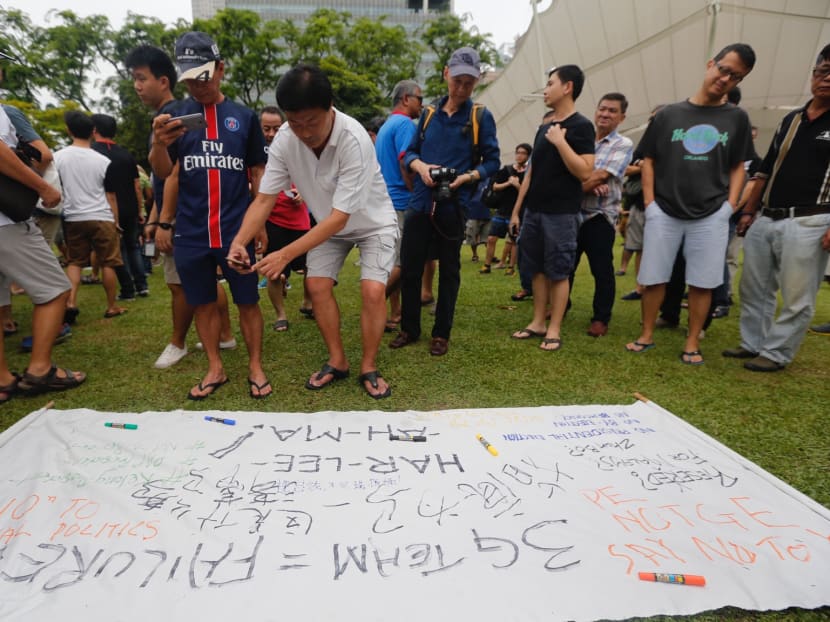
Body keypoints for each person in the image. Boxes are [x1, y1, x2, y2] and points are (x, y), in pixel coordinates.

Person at [228, 63, 398, 399]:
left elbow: (341, 217)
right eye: (295, 122)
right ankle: (338, 360)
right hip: (329, 224)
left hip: (372, 222)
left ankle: (368, 365)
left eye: (312, 122)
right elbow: (264, 199)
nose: (304, 132)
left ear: (329, 108)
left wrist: (286, 253)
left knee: (373, 291)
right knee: (316, 285)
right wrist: (239, 241)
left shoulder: (354, 138)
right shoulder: (285, 141)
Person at [149, 32, 269, 399]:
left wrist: (259, 222)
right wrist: (158, 143)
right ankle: (215, 368)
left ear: (220, 70)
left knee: (247, 300)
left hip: (236, 230)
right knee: (202, 301)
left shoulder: (244, 118)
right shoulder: (172, 118)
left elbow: (257, 172)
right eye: (189, 78)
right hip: (192, 231)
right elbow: (163, 171)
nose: (197, 85)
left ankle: (255, 366)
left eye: (204, 76)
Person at [625, 43, 755, 365]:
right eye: (723, 69)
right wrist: (650, 203)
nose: (725, 78)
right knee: (654, 275)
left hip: (711, 213)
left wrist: (729, 206)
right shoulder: (669, 114)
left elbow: (739, 166)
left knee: (704, 280)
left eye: (735, 77)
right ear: (711, 63)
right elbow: (649, 160)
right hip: (664, 211)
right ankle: (646, 334)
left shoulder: (737, 118)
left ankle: (693, 341)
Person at [126, 44, 236, 370]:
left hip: (187, 218)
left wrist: (165, 222)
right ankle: (226, 334)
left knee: (182, 284)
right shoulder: (172, 117)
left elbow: (175, 174)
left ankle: (178, 342)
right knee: (200, 279)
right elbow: (165, 177)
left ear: (164, 80)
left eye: (141, 78)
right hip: (185, 216)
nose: (137, 85)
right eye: (134, 78)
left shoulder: (177, 117)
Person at [722, 44, 830, 372]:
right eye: (822, 71)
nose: (826, 79)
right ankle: (753, 343)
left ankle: (776, 353)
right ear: (812, 75)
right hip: (766, 216)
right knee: (753, 286)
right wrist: (747, 213)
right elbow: (764, 171)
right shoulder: (792, 119)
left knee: (797, 294)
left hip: (811, 220)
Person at [391, 46, 500, 356]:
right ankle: (409, 328)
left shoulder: (481, 116)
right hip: (421, 201)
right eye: (457, 80)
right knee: (411, 266)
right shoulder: (426, 115)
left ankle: (441, 333)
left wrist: (466, 178)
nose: (462, 87)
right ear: (446, 74)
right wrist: (420, 167)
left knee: (449, 271)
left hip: (455, 205)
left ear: (476, 81)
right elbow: (410, 153)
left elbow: (492, 161)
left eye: (469, 82)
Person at [0, 57, 85, 401]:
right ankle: (39, 370)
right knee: (54, 289)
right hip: (6, 220)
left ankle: (3, 379)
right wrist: (42, 187)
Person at [509, 65, 595, 351]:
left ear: (567, 87)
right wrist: (517, 210)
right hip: (534, 210)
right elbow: (531, 172)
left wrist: (560, 143)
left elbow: (585, 171)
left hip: (562, 213)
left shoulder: (582, 126)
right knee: (535, 269)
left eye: (550, 83)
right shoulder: (544, 127)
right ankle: (537, 322)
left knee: (558, 271)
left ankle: (554, 328)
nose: (545, 90)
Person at [53, 110, 127, 321]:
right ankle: (112, 306)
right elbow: (110, 195)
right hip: (101, 215)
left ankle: (71, 302)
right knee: (108, 263)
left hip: (74, 216)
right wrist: (116, 221)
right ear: (93, 131)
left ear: (69, 130)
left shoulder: (58, 157)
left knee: (75, 262)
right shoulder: (102, 160)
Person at [571, 93, 633, 337]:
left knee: (601, 269)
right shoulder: (581, 139)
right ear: (595, 111)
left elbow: (600, 175)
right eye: (602, 109)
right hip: (573, 213)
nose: (605, 114)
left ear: (621, 117)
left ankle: (600, 318)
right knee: (566, 266)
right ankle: (560, 306)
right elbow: (569, 170)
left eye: (612, 111)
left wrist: (584, 178)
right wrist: (587, 177)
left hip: (600, 215)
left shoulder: (622, 144)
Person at [375, 79, 423, 333]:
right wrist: (418, 193)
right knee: (405, 261)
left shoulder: (386, 126)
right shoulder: (405, 124)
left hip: (386, 201)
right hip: (402, 201)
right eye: (419, 99)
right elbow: (407, 163)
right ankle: (373, 306)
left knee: (391, 261)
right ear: (406, 99)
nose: (422, 105)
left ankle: (390, 313)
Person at [259, 105, 311, 332]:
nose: (271, 134)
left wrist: (303, 191)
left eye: (276, 128)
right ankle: (281, 314)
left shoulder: (298, 146)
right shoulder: (254, 152)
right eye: (266, 128)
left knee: (312, 266)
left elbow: (312, 175)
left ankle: (308, 302)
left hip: (299, 219)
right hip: (273, 220)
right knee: (274, 271)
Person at [90, 113, 149, 301]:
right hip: (131, 207)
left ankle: (127, 289)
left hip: (107, 208)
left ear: (94, 130)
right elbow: (136, 185)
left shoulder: (92, 153)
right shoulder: (126, 154)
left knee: (118, 250)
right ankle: (142, 285)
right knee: (133, 246)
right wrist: (140, 210)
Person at [482, 143, 531, 276]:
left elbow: (528, 193)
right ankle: (487, 265)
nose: (519, 155)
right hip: (502, 210)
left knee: (514, 240)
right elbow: (495, 186)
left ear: (528, 156)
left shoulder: (529, 173)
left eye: (523, 153)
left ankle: (511, 267)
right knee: (491, 238)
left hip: (517, 212)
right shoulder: (507, 169)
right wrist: (508, 183)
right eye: (518, 152)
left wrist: (516, 185)